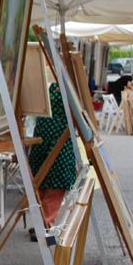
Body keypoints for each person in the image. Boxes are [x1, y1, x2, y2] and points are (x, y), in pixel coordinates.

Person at [28, 83, 77, 239]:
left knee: (55, 183)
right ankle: (42, 223)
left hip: (58, 138)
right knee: (41, 182)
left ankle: (46, 224)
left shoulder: (69, 84)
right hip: (46, 137)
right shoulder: (49, 83)